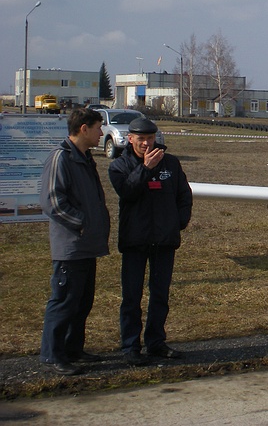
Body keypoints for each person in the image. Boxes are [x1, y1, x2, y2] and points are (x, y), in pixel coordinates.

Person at [108, 117, 192, 366]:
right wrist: (145, 168)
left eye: (150, 138)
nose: (146, 143)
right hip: (135, 240)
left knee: (160, 294)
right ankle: (130, 346)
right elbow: (128, 192)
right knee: (132, 296)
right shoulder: (119, 166)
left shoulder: (171, 163)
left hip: (164, 240)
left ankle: (156, 342)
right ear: (130, 139)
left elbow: (184, 195)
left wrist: (178, 222)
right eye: (141, 139)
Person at [39, 108, 111, 376]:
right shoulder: (61, 158)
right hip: (71, 247)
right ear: (84, 128)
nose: (101, 133)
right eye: (98, 128)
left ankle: (73, 349)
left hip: (86, 246)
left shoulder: (85, 158)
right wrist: (83, 223)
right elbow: (53, 203)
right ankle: (53, 354)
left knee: (82, 302)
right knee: (64, 301)